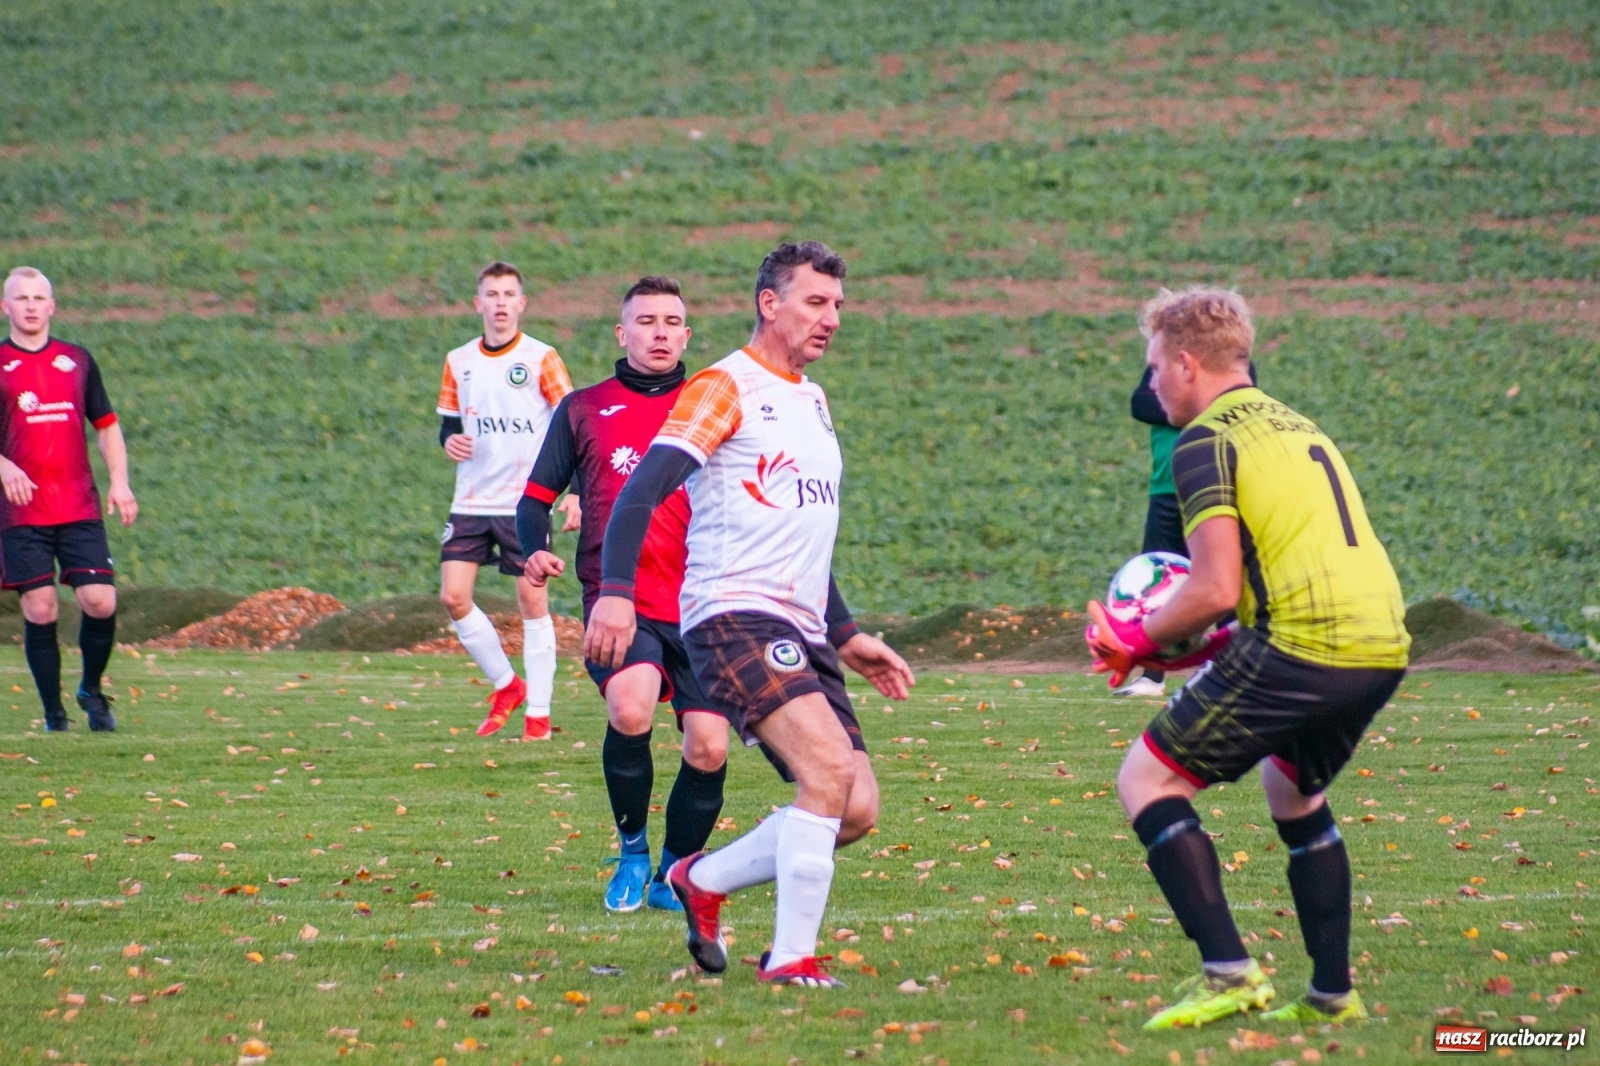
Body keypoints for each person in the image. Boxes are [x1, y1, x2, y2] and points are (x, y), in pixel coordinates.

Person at [586, 241, 914, 988]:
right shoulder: (722, 386)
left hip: (801, 627)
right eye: (814, 302)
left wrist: (848, 632)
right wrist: (614, 590)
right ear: (770, 304)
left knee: (855, 807)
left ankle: (703, 879)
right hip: (734, 615)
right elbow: (641, 494)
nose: (830, 318)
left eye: (837, 305)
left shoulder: (813, 399)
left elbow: (804, 531)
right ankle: (790, 957)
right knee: (828, 774)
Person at [1087, 287, 1410, 1030]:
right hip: (1380, 642)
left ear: (1188, 364)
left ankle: (1228, 971)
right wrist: (1179, 651)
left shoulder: (1205, 441)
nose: (1150, 387)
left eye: (1154, 369)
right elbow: (1259, 589)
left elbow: (1213, 586)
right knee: (1294, 795)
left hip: (1308, 645)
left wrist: (1135, 642)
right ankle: (1333, 993)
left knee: (1146, 778)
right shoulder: (1297, 426)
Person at [518, 276, 727, 914]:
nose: (659, 332)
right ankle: (632, 853)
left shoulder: (714, 407)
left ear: (687, 335)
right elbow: (534, 500)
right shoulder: (583, 408)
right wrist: (534, 547)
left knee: (710, 745)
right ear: (623, 332)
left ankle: (673, 874)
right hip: (620, 601)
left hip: (705, 604)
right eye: (646, 321)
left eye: (672, 322)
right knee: (631, 710)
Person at [436, 261, 579, 740]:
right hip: (471, 500)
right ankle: (507, 684)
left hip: (524, 503)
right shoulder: (459, 360)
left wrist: (574, 490)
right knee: (453, 596)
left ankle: (538, 714)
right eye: (491, 294)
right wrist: (448, 442)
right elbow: (449, 424)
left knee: (531, 602)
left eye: (508, 294)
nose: (500, 302)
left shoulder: (542, 358)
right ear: (478, 304)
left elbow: (574, 423)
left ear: (521, 303)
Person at [0, 266, 137, 733]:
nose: (32, 305)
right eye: (22, 298)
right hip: (20, 511)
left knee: (100, 601)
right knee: (41, 608)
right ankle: (54, 715)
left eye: (40, 297)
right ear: (6, 307)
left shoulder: (77, 360)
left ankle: (91, 692)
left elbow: (107, 425)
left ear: (53, 306)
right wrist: (4, 465)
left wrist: (120, 482)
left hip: (78, 504)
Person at [1123, 358, 1255, 698]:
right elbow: (1140, 404)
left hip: (1214, 488)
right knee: (1157, 579)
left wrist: (1182, 401)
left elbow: (1240, 401)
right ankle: (1152, 675)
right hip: (1164, 489)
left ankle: (1236, 670)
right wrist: (1185, 401)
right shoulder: (1162, 360)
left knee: (1223, 575)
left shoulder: (1230, 357)